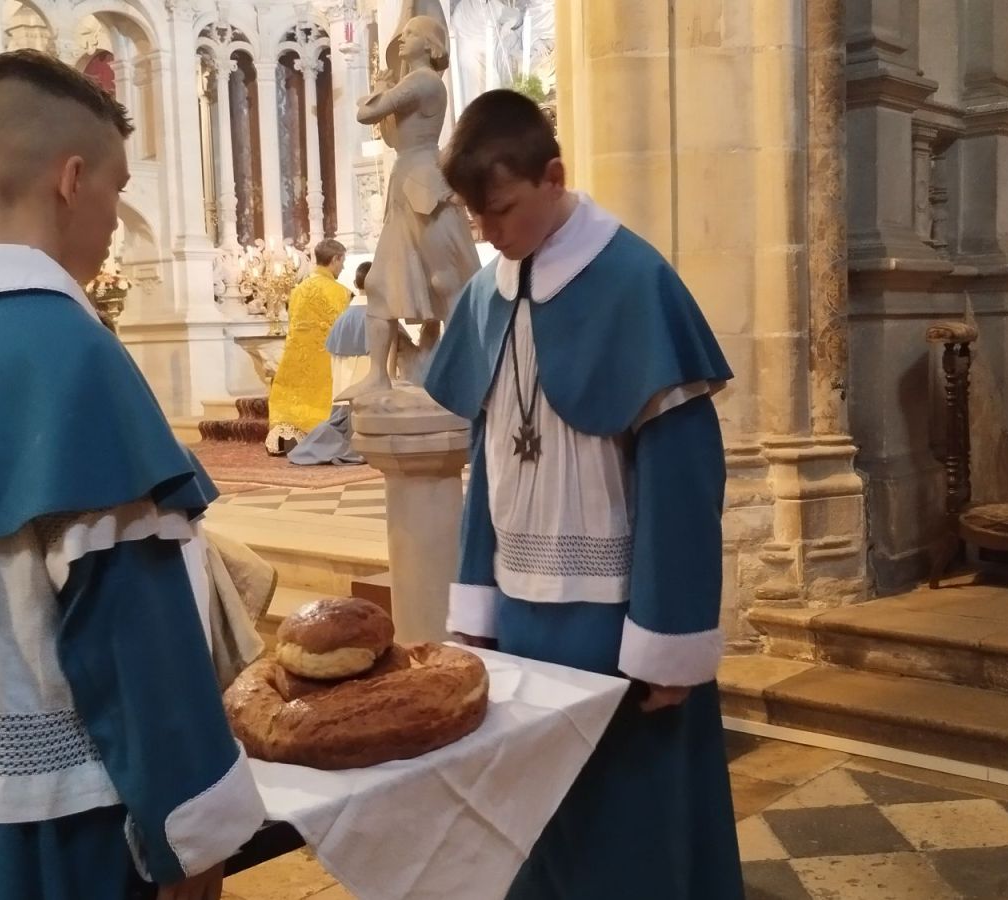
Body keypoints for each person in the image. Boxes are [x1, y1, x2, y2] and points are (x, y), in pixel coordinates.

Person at [0, 50, 265, 900]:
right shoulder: (74, 362)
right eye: (115, 186)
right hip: (63, 834)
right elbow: (135, 634)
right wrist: (191, 843)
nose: (114, 212)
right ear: (71, 179)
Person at [425, 89, 744, 899]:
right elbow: (487, 462)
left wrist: (669, 639)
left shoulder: (635, 281)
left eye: (502, 211)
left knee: (629, 834)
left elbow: (683, 476)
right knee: (537, 826)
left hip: (617, 623)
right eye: (478, 221)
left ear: (555, 175)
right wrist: (475, 613)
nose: (491, 235)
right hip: (523, 615)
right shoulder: (483, 298)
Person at [336, 15, 480, 400]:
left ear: (431, 45)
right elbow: (392, 135)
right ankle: (377, 376)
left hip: (423, 183)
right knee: (381, 282)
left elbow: (367, 113)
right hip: (405, 180)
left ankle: (464, 369)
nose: (402, 37)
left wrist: (378, 90)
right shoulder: (412, 83)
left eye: (412, 33)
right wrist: (383, 88)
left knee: (446, 280)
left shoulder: (424, 81)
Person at [265, 238, 351, 455]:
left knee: (293, 400)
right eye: (342, 261)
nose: (343, 266)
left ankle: (289, 437)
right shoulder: (340, 292)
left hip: (295, 358)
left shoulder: (298, 289)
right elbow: (343, 329)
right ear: (334, 259)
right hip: (325, 361)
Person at [286, 261, 372, 466]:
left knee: (339, 421)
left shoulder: (343, 316)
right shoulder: (375, 316)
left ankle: (315, 443)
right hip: (367, 398)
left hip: (343, 392)